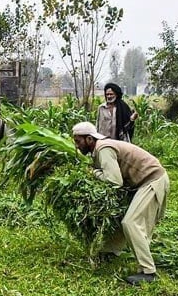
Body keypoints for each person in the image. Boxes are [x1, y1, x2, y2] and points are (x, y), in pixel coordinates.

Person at [72, 121, 170, 285]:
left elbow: (114, 181)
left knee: (131, 222)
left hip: (151, 181)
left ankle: (148, 271)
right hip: (140, 183)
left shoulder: (103, 149)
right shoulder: (99, 149)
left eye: (78, 141)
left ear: (89, 139)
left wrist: (92, 172)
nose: (76, 146)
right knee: (120, 216)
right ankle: (111, 251)